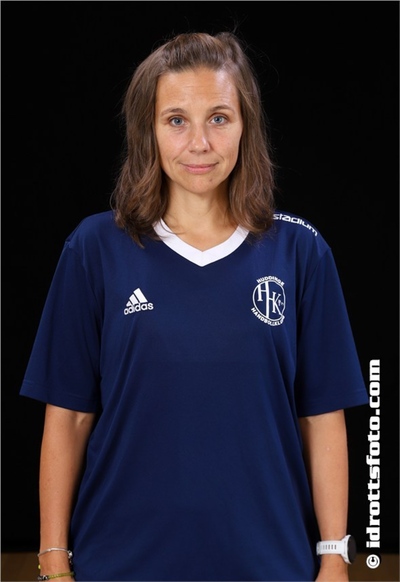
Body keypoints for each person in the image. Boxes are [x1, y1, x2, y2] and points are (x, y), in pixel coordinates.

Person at [20, 31, 369, 582]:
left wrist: (333, 556)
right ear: (149, 131)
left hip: (269, 565)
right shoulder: (94, 248)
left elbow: (323, 418)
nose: (199, 143)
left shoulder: (301, 251)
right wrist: (53, 561)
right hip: (120, 565)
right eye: (177, 120)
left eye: (219, 118)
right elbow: (68, 417)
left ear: (246, 125)